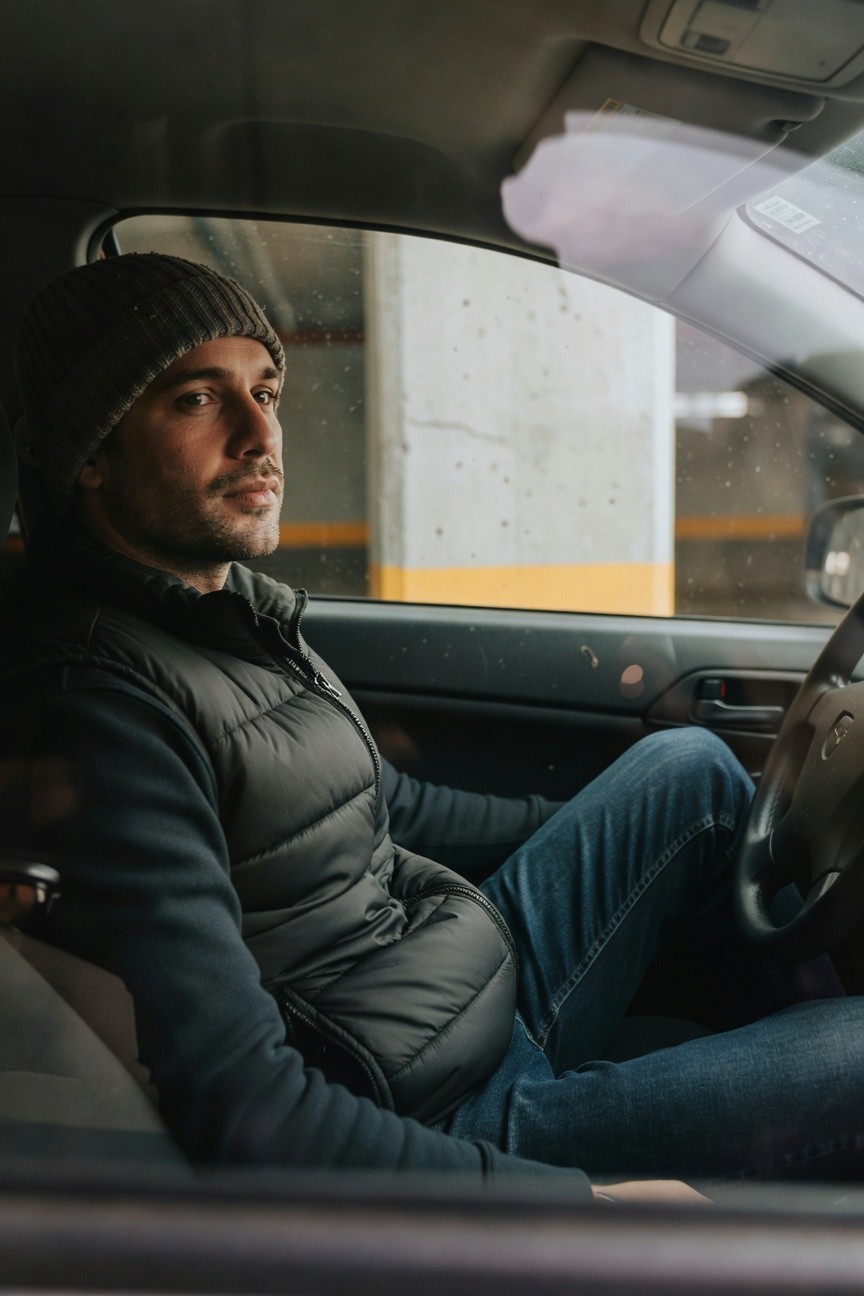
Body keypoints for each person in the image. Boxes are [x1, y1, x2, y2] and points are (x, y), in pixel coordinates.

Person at [1, 253, 862, 1201]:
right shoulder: (101, 709)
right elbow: (248, 1108)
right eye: (199, 400)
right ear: (91, 450)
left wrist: (600, 838)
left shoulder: (223, 614)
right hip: (429, 1110)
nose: (261, 435)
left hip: (442, 985)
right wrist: (572, 1210)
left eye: (267, 391)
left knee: (688, 771)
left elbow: (386, 805)